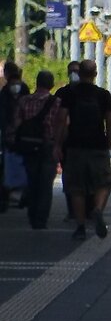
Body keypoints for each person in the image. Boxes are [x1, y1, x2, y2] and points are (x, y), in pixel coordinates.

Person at [60, 58, 111, 240]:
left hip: (74, 146)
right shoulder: (103, 95)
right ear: (95, 74)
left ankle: (80, 226)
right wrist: (108, 142)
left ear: (78, 73)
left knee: (77, 188)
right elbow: (110, 121)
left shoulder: (69, 94)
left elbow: (63, 120)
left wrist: (59, 144)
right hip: (98, 144)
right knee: (105, 182)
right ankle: (98, 209)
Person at [12, 70, 62, 230]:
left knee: (32, 181)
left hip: (27, 146)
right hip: (47, 146)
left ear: (37, 83)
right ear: (51, 85)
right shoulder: (56, 102)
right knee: (46, 184)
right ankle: (41, 219)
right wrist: (58, 146)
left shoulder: (24, 101)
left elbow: (16, 123)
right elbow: (60, 126)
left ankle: (32, 214)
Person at [55, 60, 90, 220]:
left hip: (88, 142)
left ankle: (85, 210)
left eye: (76, 71)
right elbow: (57, 119)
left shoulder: (93, 93)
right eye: (71, 71)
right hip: (69, 143)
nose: (73, 74)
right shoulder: (62, 93)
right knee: (70, 178)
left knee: (86, 178)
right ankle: (74, 211)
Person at [0, 63, 30, 211]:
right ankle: (8, 197)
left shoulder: (21, 93)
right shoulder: (5, 94)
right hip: (9, 137)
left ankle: (18, 195)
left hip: (21, 137)